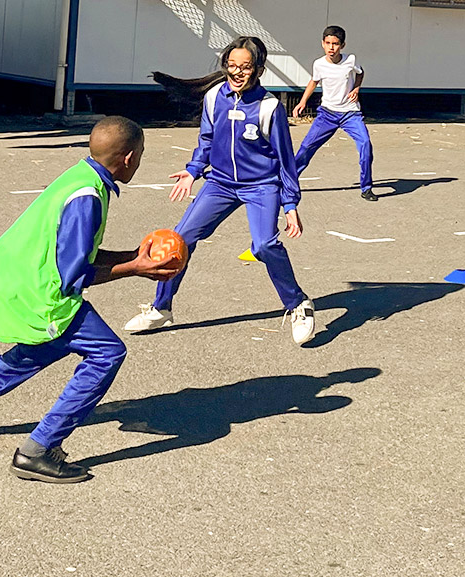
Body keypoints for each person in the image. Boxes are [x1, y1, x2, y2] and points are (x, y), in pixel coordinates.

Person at [0, 117, 179, 484]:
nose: (140, 163)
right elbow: (74, 275)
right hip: (41, 291)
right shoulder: (89, 198)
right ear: (128, 158)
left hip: (18, 278)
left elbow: (80, 254)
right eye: (141, 155)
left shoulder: (81, 176)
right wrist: (136, 268)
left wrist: (132, 255)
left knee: (44, 347)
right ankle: (38, 451)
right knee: (107, 352)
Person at [125, 36, 315, 345]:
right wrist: (192, 170)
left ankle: (298, 304)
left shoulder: (270, 108)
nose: (237, 72)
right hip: (221, 183)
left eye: (245, 67)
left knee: (265, 245)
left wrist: (290, 203)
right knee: (180, 239)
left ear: (258, 70)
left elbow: (285, 161)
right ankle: (161, 308)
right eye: (231, 66)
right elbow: (207, 140)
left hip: (261, 185)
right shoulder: (215, 97)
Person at [292, 25, 377, 202]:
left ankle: (366, 188)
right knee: (306, 147)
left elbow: (360, 73)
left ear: (342, 45)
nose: (331, 47)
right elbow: (313, 82)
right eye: (328, 43)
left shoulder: (351, 60)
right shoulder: (319, 64)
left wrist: (356, 87)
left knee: (365, 144)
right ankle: (288, 180)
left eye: (336, 44)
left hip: (350, 114)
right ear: (322, 43)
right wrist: (302, 102)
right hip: (327, 114)